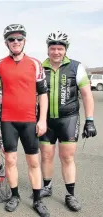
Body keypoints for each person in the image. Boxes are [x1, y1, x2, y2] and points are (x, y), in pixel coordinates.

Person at [0, 24, 50, 217]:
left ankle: (37, 199)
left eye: (19, 39)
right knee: (10, 160)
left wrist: (42, 120)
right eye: (11, 39)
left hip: (29, 121)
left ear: (24, 41)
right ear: (6, 42)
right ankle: (14, 196)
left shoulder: (35, 63)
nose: (15, 42)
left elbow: (43, 94)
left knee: (33, 162)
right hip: (8, 120)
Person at [38, 30, 97, 211]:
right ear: (48, 50)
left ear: (65, 50)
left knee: (67, 157)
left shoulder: (76, 67)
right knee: (46, 156)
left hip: (68, 119)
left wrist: (90, 120)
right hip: (45, 120)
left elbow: (87, 95)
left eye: (60, 49)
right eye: (53, 48)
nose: (56, 52)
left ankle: (70, 194)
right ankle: (46, 187)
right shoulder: (40, 67)